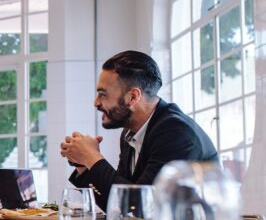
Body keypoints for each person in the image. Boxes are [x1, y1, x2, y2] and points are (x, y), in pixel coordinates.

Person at [60, 50, 218, 210]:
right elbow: (118, 204)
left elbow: (143, 207)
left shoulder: (176, 132)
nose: (96, 102)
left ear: (133, 97)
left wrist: (92, 158)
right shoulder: (130, 134)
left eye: (102, 94)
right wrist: (83, 165)